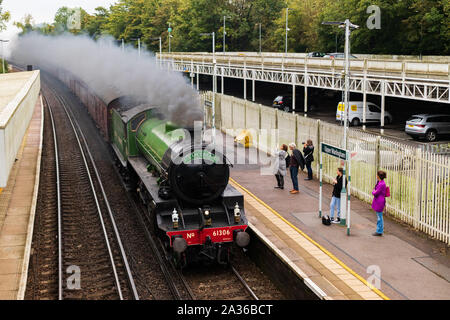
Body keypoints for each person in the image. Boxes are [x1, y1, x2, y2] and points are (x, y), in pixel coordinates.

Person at [372, 170, 387, 236]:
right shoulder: (380, 182)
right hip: (379, 200)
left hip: (379, 201)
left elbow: (375, 193)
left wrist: (373, 191)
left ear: (378, 176)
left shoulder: (381, 184)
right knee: (379, 216)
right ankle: (379, 230)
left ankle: (379, 231)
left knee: (379, 217)